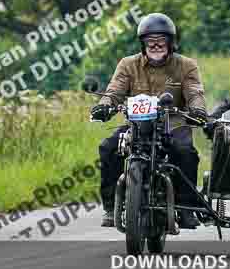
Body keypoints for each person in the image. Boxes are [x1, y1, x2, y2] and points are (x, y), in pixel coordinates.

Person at [90, 13, 209, 229]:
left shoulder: (186, 66)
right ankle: (110, 207)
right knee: (109, 147)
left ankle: (185, 208)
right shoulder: (128, 64)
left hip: (174, 124)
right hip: (137, 124)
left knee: (185, 152)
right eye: (150, 41)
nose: (155, 46)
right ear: (142, 43)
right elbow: (114, 90)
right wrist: (104, 105)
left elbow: (194, 93)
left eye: (161, 41)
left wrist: (198, 111)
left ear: (170, 43)